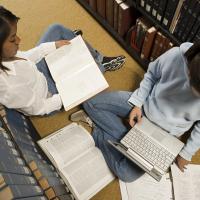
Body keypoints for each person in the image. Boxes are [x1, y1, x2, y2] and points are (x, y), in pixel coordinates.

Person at [70, 42, 200, 182]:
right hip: (145, 105)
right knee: (89, 103)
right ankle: (130, 139)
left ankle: (98, 130)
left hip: (166, 134)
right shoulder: (176, 54)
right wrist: (138, 103)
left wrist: (186, 153)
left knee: (126, 174)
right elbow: (151, 75)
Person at [0, 6, 125, 116]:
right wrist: (67, 95)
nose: (19, 40)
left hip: (37, 74)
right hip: (50, 96)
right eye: (12, 39)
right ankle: (101, 65)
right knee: (91, 76)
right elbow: (39, 108)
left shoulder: (6, 55)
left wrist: (53, 46)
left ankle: (98, 58)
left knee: (56, 29)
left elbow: (26, 57)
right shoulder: (9, 86)